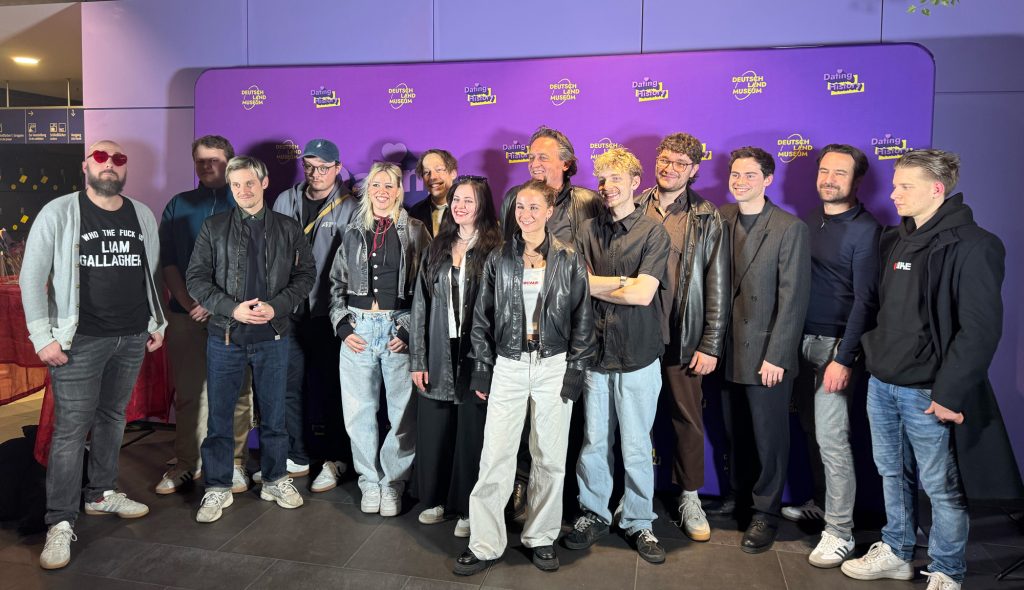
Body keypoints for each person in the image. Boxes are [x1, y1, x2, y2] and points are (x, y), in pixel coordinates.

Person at [842, 150, 1024, 590]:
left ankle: (946, 569)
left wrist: (950, 393)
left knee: (941, 487)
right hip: (882, 382)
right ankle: (897, 550)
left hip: (928, 393)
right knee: (891, 473)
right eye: (895, 184)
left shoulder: (975, 245)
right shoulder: (893, 239)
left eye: (905, 186)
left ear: (936, 190)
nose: (894, 193)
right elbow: (877, 309)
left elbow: (979, 331)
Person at [26, 140, 167, 570]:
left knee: (112, 418)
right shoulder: (60, 211)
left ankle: (101, 494)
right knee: (71, 430)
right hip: (79, 340)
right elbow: (32, 276)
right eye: (101, 158)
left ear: (125, 169)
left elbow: (150, 272)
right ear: (87, 165)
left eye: (118, 160)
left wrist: (155, 323)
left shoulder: (141, 213)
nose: (110, 165)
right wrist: (42, 337)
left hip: (129, 337)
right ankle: (60, 521)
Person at [454, 179, 596, 576]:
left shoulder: (569, 258)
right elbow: (480, 320)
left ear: (550, 211)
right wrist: (482, 369)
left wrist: (575, 373)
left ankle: (542, 537)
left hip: (554, 366)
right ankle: (484, 543)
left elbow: (584, 323)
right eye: (520, 207)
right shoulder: (499, 258)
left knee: (549, 458)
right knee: (495, 457)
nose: (526, 215)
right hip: (510, 366)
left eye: (534, 208)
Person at [186, 155, 315, 523]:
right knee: (220, 417)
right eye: (236, 184)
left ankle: (275, 478)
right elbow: (196, 278)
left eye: (249, 183)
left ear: (264, 182)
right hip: (225, 336)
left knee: (275, 414)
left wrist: (277, 307)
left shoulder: (289, 228)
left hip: (274, 336)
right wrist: (230, 308)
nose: (243, 190)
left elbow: (306, 275)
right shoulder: (213, 227)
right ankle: (217, 487)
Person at [566, 148, 671, 564]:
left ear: (634, 183)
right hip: (593, 353)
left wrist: (600, 283)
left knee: (636, 444)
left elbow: (644, 294)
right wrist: (619, 282)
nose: (605, 186)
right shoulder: (585, 230)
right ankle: (593, 513)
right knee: (594, 441)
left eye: (614, 178)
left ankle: (638, 521)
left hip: (639, 356)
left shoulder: (653, 232)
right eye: (601, 178)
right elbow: (576, 286)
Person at [499, 125, 601, 518]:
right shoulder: (514, 198)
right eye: (531, 156)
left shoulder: (589, 202)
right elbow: (505, 257)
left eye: (544, 156)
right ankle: (521, 485)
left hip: (572, 327)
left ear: (567, 162)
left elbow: (598, 258)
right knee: (526, 420)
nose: (535, 163)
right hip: (524, 326)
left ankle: (566, 499)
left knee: (567, 418)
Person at [786, 144, 880, 568]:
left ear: (856, 181)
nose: (829, 179)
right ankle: (823, 504)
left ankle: (840, 531)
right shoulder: (810, 221)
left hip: (834, 348)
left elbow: (865, 300)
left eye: (839, 173)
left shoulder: (866, 230)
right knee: (810, 430)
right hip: (799, 342)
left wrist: (845, 356)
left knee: (832, 439)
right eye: (824, 171)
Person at [635, 133, 730, 543]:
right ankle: (631, 497)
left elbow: (718, 285)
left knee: (687, 420)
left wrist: (709, 343)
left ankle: (690, 497)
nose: (668, 167)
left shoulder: (708, 216)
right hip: (635, 335)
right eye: (664, 159)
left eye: (679, 162)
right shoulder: (633, 203)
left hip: (682, 337)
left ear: (693, 169)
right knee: (631, 421)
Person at [719, 146, 811, 554]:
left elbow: (793, 299)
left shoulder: (789, 228)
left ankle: (766, 512)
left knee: (769, 438)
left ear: (768, 180)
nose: (740, 181)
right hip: (724, 349)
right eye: (736, 174)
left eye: (750, 175)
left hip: (765, 354)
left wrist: (778, 354)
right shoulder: (719, 218)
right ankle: (740, 499)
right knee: (735, 432)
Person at [329, 161, 430, 517]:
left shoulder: (416, 230)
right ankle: (369, 481)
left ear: (400, 190)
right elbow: (335, 284)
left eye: (390, 185)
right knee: (358, 412)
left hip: (397, 328)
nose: (383, 192)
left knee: (403, 414)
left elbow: (425, 288)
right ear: (367, 190)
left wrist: (408, 329)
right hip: (358, 328)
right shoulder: (353, 230)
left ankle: (393, 484)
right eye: (376, 185)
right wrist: (343, 326)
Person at [156, 135, 255, 496]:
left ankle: (236, 464)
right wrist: (187, 299)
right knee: (189, 393)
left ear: (229, 162)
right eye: (200, 161)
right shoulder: (178, 205)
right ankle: (187, 463)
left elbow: (257, 265)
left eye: (214, 160)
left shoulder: (247, 202)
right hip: (186, 315)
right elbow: (167, 261)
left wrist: (216, 303)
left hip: (232, 316)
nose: (206, 166)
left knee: (238, 392)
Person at [409, 175, 502, 538]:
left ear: (483, 206)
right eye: (456, 200)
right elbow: (420, 306)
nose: (460, 206)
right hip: (437, 350)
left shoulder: (497, 249)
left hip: (477, 355)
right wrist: (418, 359)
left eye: (469, 200)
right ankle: (434, 500)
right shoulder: (437, 247)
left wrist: (490, 366)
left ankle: (467, 507)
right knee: (435, 430)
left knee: (472, 435)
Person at [271, 138, 358, 492]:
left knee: (332, 388)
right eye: (310, 166)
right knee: (290, 386)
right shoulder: (283, 200)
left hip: (327, 311)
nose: (316, 173)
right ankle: (298, 453)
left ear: (337, 168)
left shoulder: (350, 207)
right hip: (289, 309)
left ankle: (334, 459)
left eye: (324, 167)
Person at [409, 149, 458, 237]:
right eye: (426, 172)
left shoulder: (467, 210)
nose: (432, 177)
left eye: (438, 169)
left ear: (453, 173)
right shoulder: (415, 213)